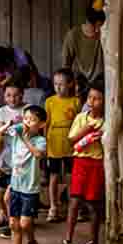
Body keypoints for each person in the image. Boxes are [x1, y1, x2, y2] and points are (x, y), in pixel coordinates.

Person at [58, 79, 107, 244]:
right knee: (74, 202)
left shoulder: (106, 122)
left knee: (94, 204)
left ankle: (92, 243)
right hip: (80, 162)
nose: (92, 102)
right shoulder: (81, 118)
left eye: (98, 99)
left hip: (96, 164)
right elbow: (71, 139)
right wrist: (86, 130)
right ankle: (67, 242)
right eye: (90, 98)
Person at [0, 105, 50, 244]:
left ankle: (32, 241)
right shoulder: (16, 134)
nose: (27, 122)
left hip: (30, 188)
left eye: (32, 120)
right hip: (15, 185)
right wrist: (8, 125)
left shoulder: (40, 141)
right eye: (26, 118)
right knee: (14, 223)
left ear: (41, 124)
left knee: (25, 222)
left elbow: (37, 154)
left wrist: (25, 138)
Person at [0, 78, 27, 231]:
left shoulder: (28, 109)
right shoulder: (1, 112)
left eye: (16, 95)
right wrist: (9, 124)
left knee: (12, 194)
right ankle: (5, 214)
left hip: (21, 158)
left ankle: (15, 221)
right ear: (4, 96)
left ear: (22, 95)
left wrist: (24, 123)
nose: (12, 98)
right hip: (6, 158)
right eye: (9, 95)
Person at [42, 68, 80, 223]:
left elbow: (79, 123)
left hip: (71, 145)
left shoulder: (75, 102)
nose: (58, 87)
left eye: (61, 84)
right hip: (54, 145)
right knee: (54, 176)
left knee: (71, 177)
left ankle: (73, 208)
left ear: (70, 84)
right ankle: (53, 207)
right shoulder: (49, 101)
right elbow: (46, 124)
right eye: (55, 84)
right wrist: (44, 143)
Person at [61, 6, 106, 85]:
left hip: (100, 82)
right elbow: (65, 64)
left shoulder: (104, 34)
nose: (97, 30)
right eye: (94, 26)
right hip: (80, 82)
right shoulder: (73, 35)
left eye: (100, 26)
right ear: (87, 22)